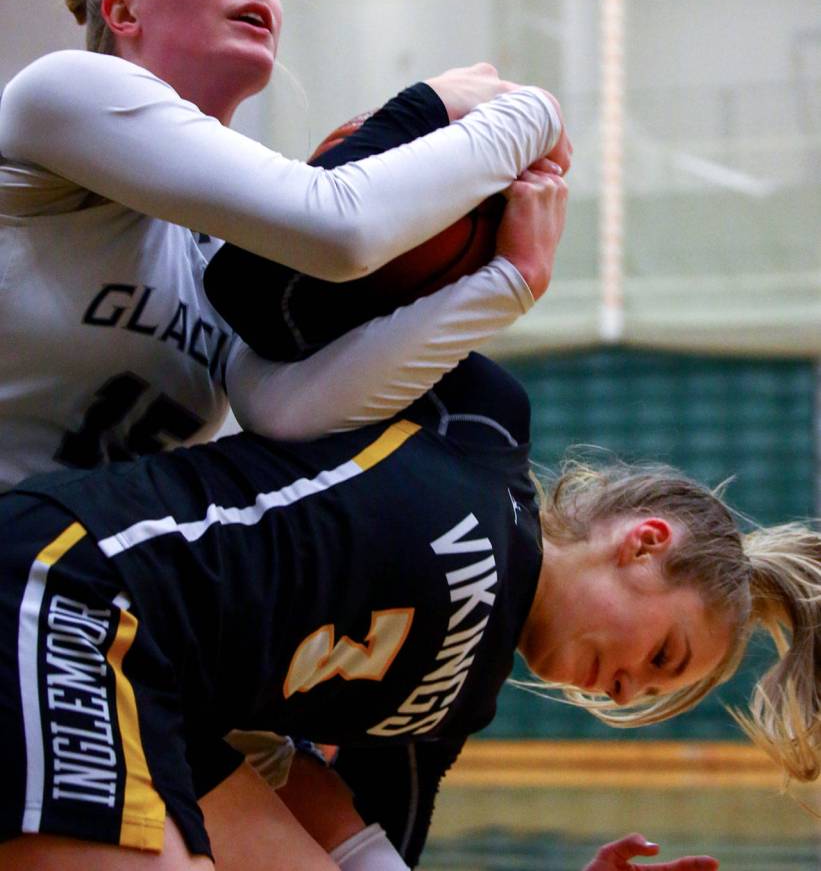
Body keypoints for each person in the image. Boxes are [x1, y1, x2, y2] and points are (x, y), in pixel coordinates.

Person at [2, 350, 815, 870]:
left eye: (652, 692)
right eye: (663, 656)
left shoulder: (445, 712)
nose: (629, 691)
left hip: (166, 703)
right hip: (81, 585)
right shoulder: (483, 428)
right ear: (643, 543)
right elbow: (294, 286)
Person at [0, 0, 571, 491]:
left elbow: (285, 409)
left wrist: (511, 281)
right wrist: (523, 110)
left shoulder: (220, 246)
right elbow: (341, 226)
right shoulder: (61, 93)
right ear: (123, 13)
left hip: (77, 567)